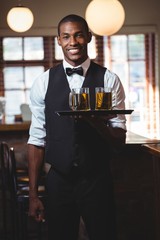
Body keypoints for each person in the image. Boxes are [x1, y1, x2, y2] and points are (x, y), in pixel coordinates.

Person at [28, 14, 127, 240]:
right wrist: (34, 195)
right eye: (66, 37)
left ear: (89, 37)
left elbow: (119, 139)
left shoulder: (109, 80)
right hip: (58, 179)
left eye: (79, 35)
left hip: (97, 177)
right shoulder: (43, 82)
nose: (73, 42)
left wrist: (95, 121)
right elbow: (36, 139)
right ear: (59, 41)